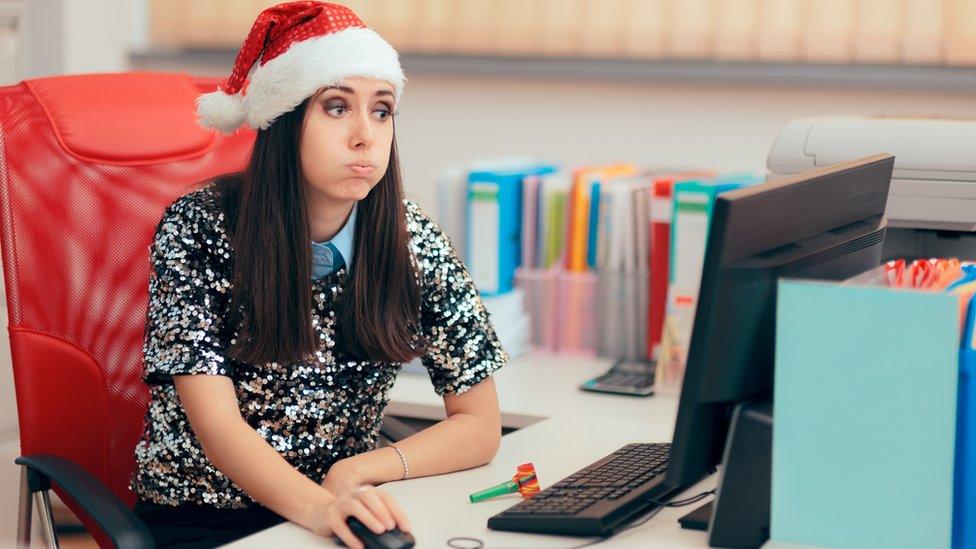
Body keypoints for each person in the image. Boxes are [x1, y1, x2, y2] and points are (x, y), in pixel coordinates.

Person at [129, 3, 508, 547]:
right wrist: (325, 508)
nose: (366, 136)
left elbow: (479, 424)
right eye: (336, 107)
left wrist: (363, 471)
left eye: (382, 111)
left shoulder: (410, 235)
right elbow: (218, 429)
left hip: (336, 508)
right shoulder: (201, 226)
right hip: (207, 519)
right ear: (285, 120)